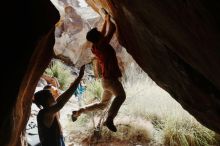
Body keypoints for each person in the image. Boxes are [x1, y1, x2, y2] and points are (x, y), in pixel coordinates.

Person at [71, 11, 126, 132]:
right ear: (98, 37)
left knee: (103, 104)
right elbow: (112, 29)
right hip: (111, 79)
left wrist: (106, 20)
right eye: (99, 34)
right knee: (121, 96)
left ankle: (79, 111)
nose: (101, 34)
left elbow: (102, 33)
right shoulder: (103, 45)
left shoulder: (95, 47)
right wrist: (109, 20)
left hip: (105, 81)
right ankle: (109, 119)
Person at [33, 65, 85, 146]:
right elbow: (62, 102)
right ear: (47, 99)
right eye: (51, 95)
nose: (53, 96)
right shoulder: (45, 113)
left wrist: (75, 82)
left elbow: (61, 99)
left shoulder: (49, 109)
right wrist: (79, 78)